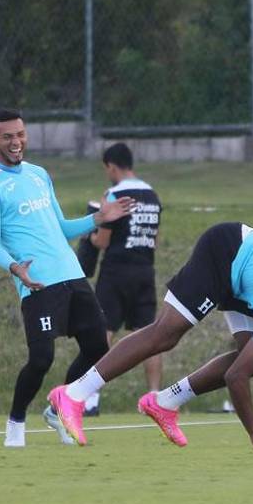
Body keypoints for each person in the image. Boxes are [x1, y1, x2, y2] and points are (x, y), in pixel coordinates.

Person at [49, 222, 253, 454]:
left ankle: (164, 402)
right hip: (230, 249)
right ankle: (73, 394)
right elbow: (236, 377)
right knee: (166, 333)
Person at [0, 109, 134, 448]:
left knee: (98, 348)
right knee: (41, 359)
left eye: (20, 134)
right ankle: (15, 424)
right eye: (7, 136)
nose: (16, 142)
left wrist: (98, 219)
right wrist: (15, 268)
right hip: (38, 282)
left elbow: (61, 228)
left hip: (72, 274)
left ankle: (59, 408)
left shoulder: (39, 174)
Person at [82, 142, 163, 416]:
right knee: (150, 337)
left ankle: (91, 398)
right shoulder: (152, 195)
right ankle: (155, 398)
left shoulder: (114, 194)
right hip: (145, 270)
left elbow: (103, 241)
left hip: (116, 272)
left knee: (103, 333)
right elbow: (154, 239)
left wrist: (90, 236)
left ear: (111, 166)